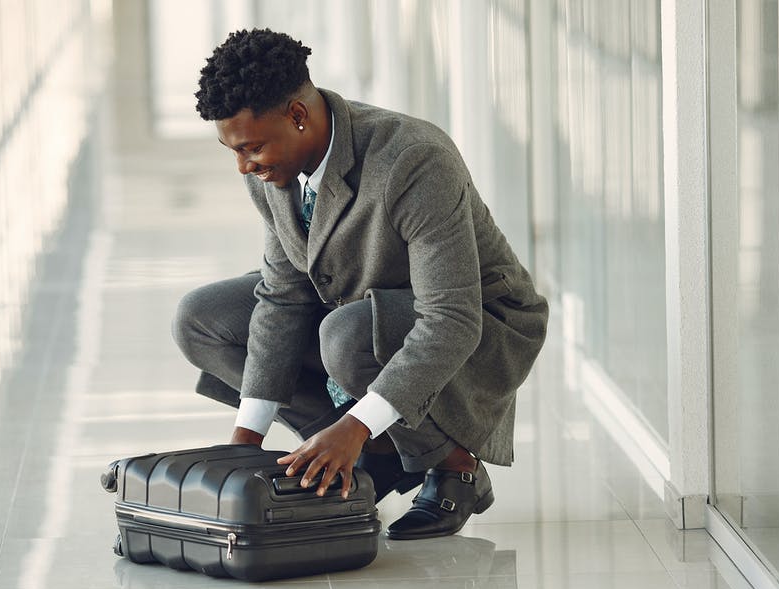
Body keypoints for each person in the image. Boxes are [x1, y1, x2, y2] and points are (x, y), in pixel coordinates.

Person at [172, 29, 548, 540]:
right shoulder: (272, 167)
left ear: (298, 116)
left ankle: (453, 466)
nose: (243, 166)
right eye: (232, 150)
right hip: (357, 303)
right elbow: (284, 294)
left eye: (252, 148)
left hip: (481, 319)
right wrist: (246, 442)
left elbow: (452, 318)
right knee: (201, 319)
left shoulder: (413, 158)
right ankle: (371, 455)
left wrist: (356, 423)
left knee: (346, 336)